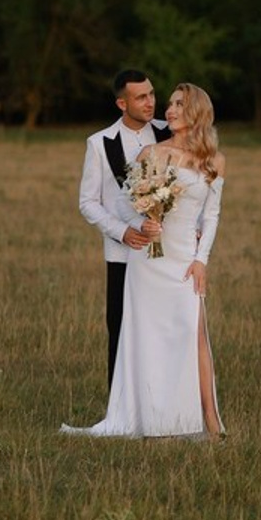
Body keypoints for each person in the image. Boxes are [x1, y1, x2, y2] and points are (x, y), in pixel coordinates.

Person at [63, 83, 226, 439]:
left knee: (194, 334)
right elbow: (125, 202)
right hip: (149, 260)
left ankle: (210, 422)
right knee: (147, 337)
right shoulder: (151, 152)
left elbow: (211, 216)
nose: (168, 110)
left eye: (178, 104)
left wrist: (202, 260)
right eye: (169, 104)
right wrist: (142, 224)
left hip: (185, 259)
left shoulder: (213, 160)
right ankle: (152, 418)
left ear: (197, 111)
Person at [78, 70, 172, 388]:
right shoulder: (100, 143)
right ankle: (119, 409)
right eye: (141, 97)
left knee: (163, 328)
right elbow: (88, 202)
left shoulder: (169, 132)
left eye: (152, 94)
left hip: (167, 253)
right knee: (120, 328)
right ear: (122, 102)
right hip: (124, 252)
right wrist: (121, 231)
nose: (150, 102)